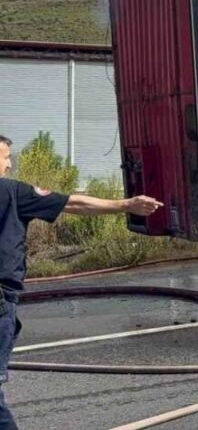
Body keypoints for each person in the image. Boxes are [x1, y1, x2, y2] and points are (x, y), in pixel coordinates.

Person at [0, 135, 162, 429]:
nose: (9, 164)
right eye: (5, 157)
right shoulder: (12, 193)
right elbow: (74, 203)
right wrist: (126, 204)